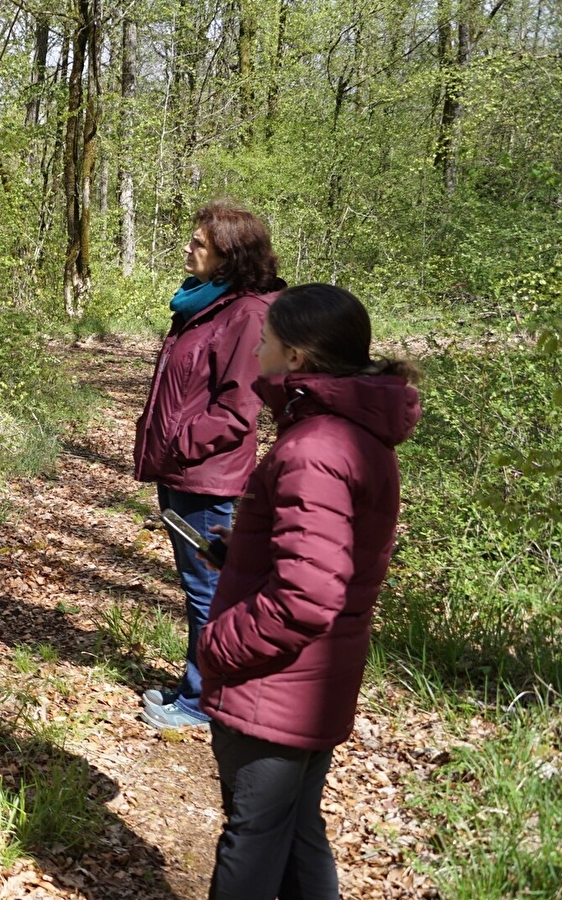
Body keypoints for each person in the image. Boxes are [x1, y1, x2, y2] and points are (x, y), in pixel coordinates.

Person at [198, 283, 421, 898]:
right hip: (315, 677)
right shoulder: (348, 430)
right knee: (295, 831)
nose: (256, 351)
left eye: (266, 341)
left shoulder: (316, 445)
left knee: (255, 836)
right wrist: (240, 552)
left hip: (277, 678)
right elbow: (321, 561)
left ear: (295, 357)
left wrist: (218, 645)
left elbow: (307, 596)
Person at [134, 200, 287, 731]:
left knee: (208, 588)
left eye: (199, 243)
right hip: (183, 471)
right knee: (196, 584)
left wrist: (180, 443)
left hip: (207, 475)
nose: (187, 248)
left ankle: (204, 702)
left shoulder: (246, 314)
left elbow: (238, 409)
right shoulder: (204, 303)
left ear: (229, 255)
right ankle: (195, 684)